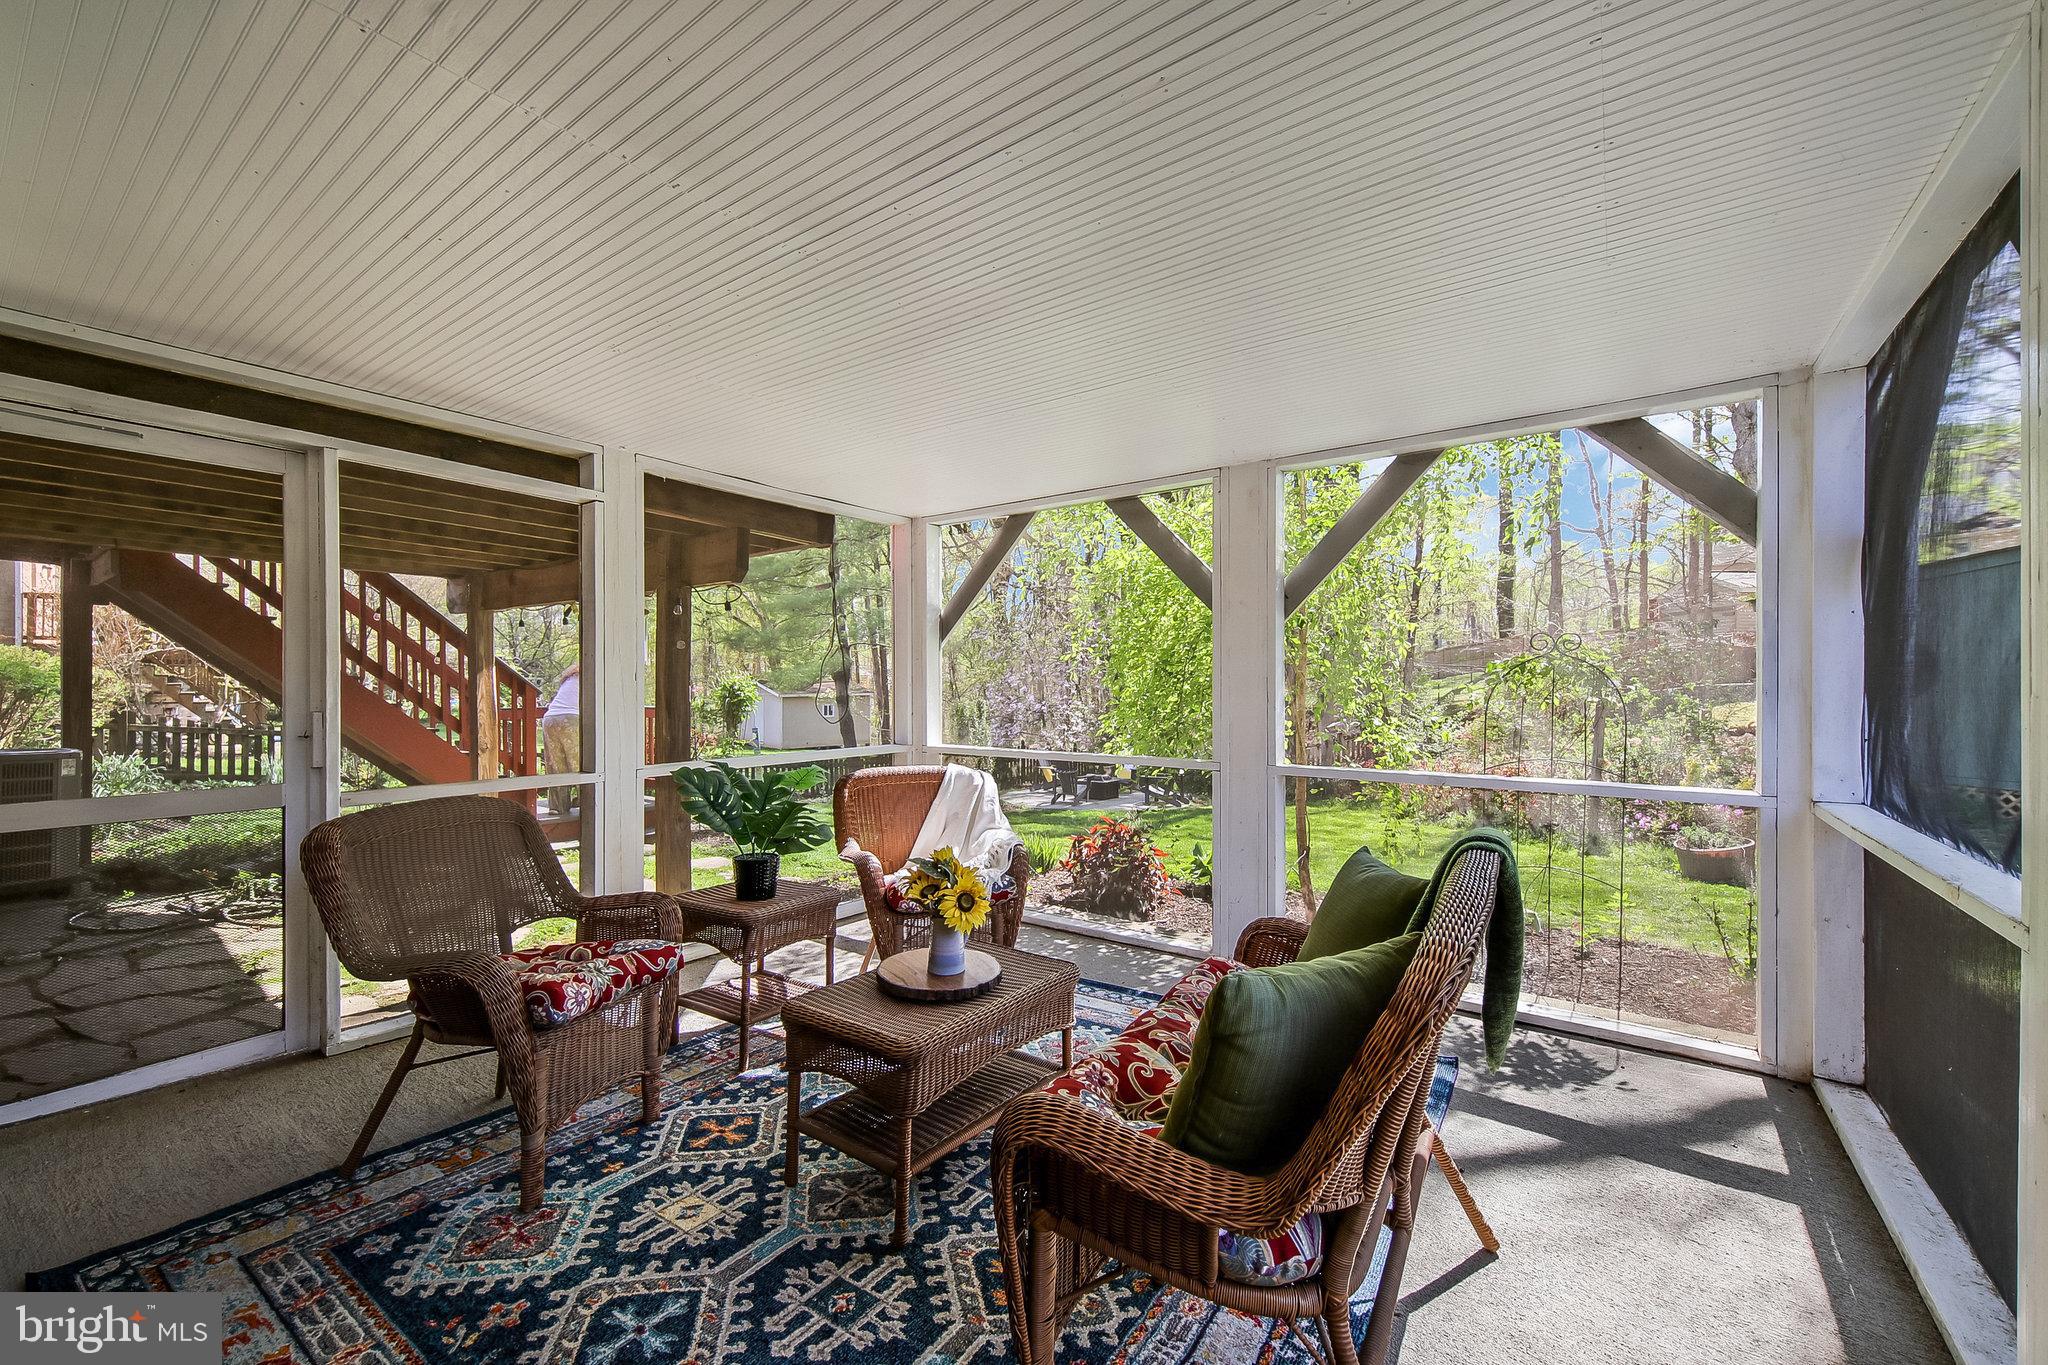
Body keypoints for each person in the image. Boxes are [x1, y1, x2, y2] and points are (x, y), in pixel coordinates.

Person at [542, 662, 580, 816]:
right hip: (571, 718)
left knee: (556, 765)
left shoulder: (570, 679)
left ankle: (557, 806)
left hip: (550, 718)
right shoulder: (591, 678)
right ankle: (588, 802)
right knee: (578, 762)